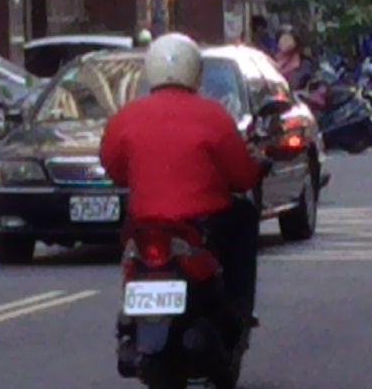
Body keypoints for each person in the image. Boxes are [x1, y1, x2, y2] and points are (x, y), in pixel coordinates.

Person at [98, 34, 265, 324]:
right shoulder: (213, 115)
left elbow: (113, 169)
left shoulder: (126, 116)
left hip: (144, 222)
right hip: (203, 223)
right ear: (195, 72)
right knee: (245, 216)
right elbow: (242, 176)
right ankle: (239, 307)